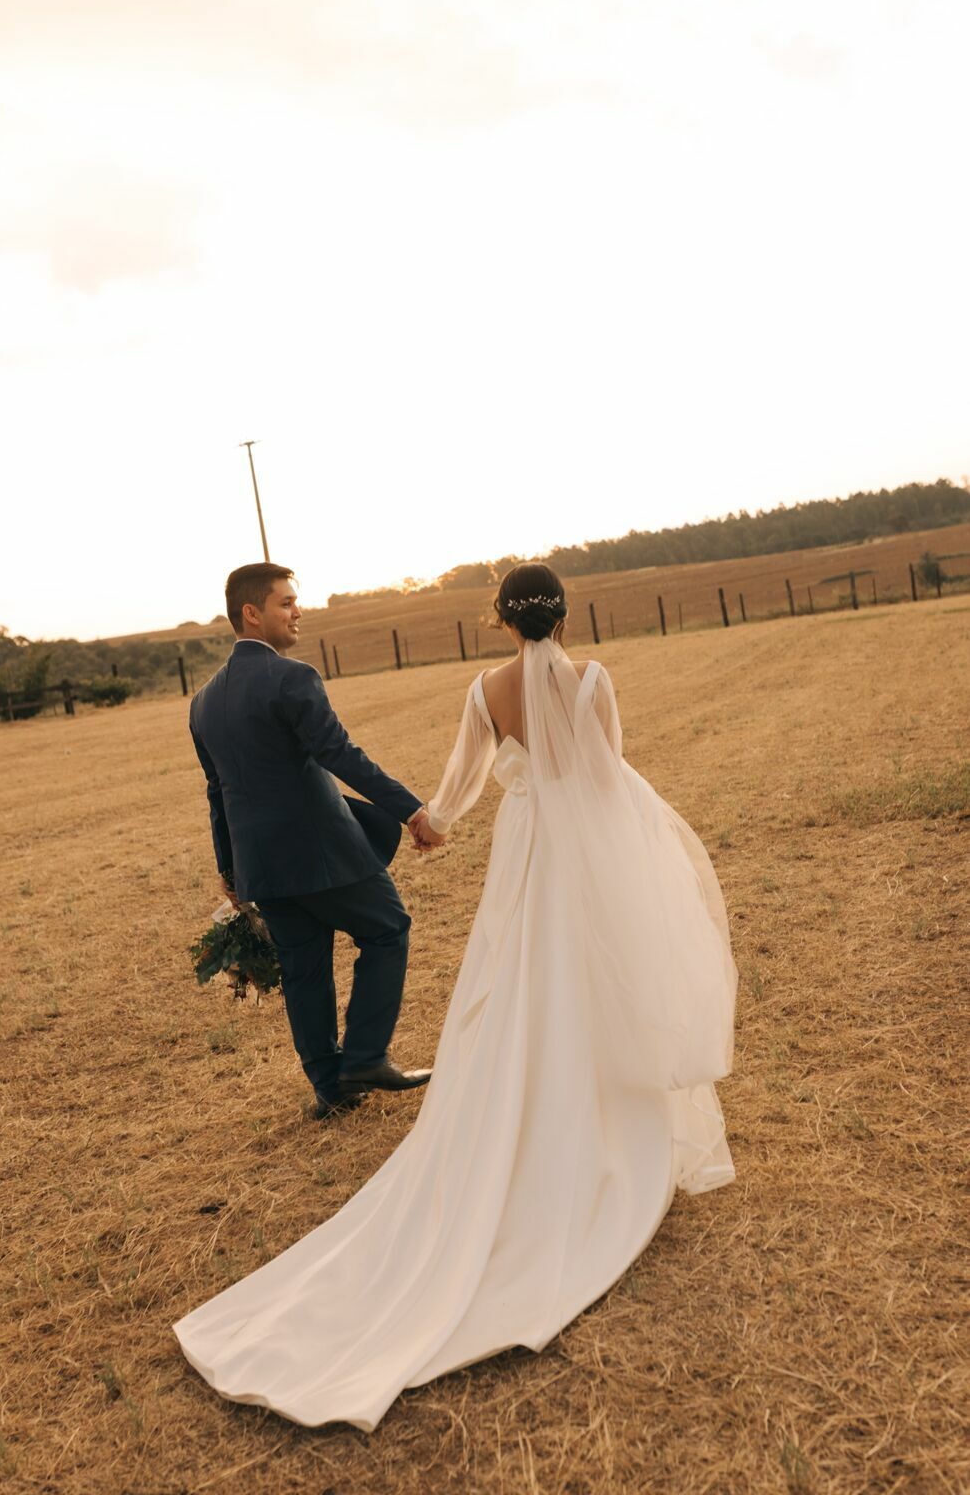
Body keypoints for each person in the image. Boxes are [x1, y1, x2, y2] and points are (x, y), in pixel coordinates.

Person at [175, 562, 738, 1430]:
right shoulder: (589, 679)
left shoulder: (472, 688)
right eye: (286, 601)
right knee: (593, 960)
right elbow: (599, 766)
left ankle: (336, 1076)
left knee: (509, 973)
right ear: (563, 611)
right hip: (569, 834)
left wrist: (430, 814)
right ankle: (415, 1069)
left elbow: (459, 774)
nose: (298, 611)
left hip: (488, 846)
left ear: (499, 619)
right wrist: (422, 816)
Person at [189, 562, 436, 1119]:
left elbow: (216, 793)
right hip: (323, 852)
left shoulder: (202, 702)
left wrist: (231, 871)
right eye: (286, 603)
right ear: (251, 613)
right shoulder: (292, 677)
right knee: (388, 928)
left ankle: (331, 1087)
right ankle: (367, 1056)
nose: (297, 611)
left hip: (262, 866)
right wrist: (410, 810)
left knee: (305, 969)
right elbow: (340, 755)